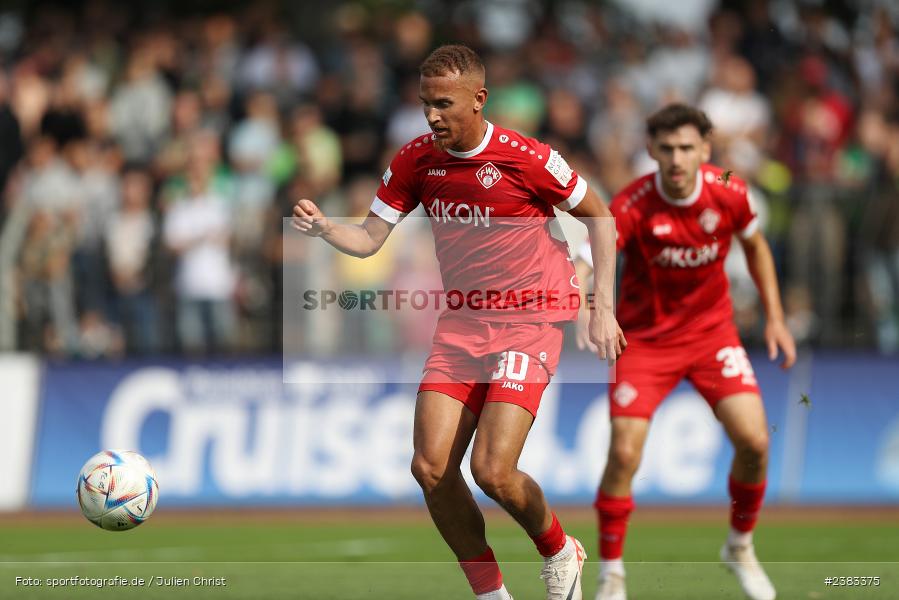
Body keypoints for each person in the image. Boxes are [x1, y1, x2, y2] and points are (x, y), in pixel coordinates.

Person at [293, 44, 625, 600]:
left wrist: (603, 305)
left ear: (479, 99)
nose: (431, 116)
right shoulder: (415, 160)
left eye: (443, 103)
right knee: (430, 468)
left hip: (530, 319)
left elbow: (601, 217)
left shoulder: (528, 157)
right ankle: (491, 594)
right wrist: (328, 228)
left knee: (493, 471)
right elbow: (371, 237)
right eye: (425, 103)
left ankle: (558, 548)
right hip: (461, 326)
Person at [576, 104, 796, 600]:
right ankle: (611, 573)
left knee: (755, 443)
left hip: (711, 336)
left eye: (686, 148)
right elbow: (589, 259)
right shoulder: (633, 204)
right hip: (646, 342)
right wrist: (590, 308)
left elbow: (756, 245)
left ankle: (739, 546)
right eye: (667, 148)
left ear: (705, 150)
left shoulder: (731, 191)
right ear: (652, 150)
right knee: (625, 452)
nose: (676, 159)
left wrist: (776, 317)